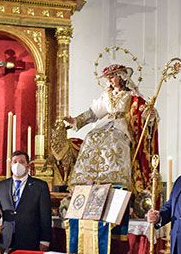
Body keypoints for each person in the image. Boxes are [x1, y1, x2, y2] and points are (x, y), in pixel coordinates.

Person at [64, 63, 157, 192]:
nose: (109, 80)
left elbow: (143, 110)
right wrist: (75, 120)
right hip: (107, 123)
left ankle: (116, 177)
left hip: (122, 125)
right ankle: (91, 176)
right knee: (91, 137)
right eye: (108, 77)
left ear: (121, 76)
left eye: (112, 76)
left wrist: (149, 114)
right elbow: (93, 113)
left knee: (115, 140)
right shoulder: (107, 95)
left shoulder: (131, 95)